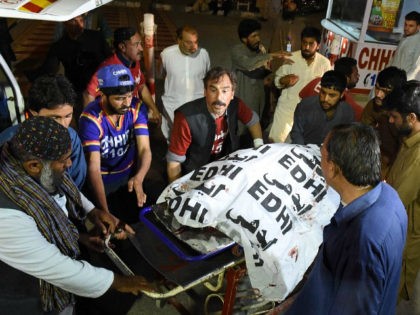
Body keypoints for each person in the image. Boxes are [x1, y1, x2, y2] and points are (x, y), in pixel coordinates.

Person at [0, 116, 153, 315]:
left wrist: (92, 212)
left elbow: (58, 185)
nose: (70, 164)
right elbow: (58, 268)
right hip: (27, 299)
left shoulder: (18, 159)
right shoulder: (7, 219)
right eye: (63, 160)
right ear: (34, 166)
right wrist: (119, 282)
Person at [285, 123, 407, 315]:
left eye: (323, 154)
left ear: (333, 169)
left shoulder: (363, 238)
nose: (320, 160)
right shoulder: (389, 196)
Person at [79, 64, 152, 223]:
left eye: (129, 95)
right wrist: (105, 212)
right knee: (113, 225)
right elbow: (93, 166)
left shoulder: (136, 106)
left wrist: (139, 177)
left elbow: (145, 149)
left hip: (130, 174)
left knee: (138, 220)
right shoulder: (90, 119)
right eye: (119, 98)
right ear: (103, 95)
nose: (126, 103)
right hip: (103, 181)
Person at [166, 66, 263, 183]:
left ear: (232, 94)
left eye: (225, 91)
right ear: (205, 92)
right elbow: (174, 162)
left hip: (225, 166)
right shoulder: (186, 118)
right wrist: (177, 192)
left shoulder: (236, 104)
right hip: (195, 173)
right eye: (213, 90)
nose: (218, 98)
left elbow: (253, 121)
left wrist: (259, 147)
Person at [0, 74, 86, 189]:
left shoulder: (72, 138)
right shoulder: (8, 140)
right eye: (54, 118)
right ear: (34, 113)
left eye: (68, 116)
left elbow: (76, 180)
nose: (63, 125)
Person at [28, 15, 112, 120]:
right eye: (74, 21)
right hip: (77, 92)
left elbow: (110, 60)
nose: (79, 24)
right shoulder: (59, 46)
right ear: (65, 23)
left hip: (102, 89)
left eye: (81, 20)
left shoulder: (96, 37)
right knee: (84, 122)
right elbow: (49, 69)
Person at [384, 81, 420, 305]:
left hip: (406, 235)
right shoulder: (409, 142)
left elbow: (396, 201)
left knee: (389, 295)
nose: (390, 121)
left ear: (412, 118)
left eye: (395, 117)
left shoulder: (418, 155)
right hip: (399, 227)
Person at [84, 27, 161, 125]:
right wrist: (91, 124)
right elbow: (88, 95)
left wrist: (154, 109)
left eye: (140, 43)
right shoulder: (108, 68)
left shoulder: (135, 62)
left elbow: (141, 86)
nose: (141, 48)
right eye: (136, 44)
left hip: (131, 120)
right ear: (122, 47)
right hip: (116, 126)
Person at [269, 26, 331, 143]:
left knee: (298, 149)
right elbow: (277, 81)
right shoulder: (291, 58)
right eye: (304, 43)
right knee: (276, 144)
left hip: (309, 114)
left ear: (318, 46)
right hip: (286, 111)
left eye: (311, 44)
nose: (306, 47)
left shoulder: (324, 64)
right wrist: (284, 80)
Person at [231, 18, 292, 128]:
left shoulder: (261, 49)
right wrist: (272, 55)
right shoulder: (237, 51)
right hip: (242, 101)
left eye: (258, 35)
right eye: (254, 36)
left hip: (259, 101)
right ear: (244, 39)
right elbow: (249, 64)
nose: (258, 39)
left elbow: (265, 70)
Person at [159, 25, 211, 140]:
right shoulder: (166, 54)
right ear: (179, 40)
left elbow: (207, 77)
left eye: (196, 42)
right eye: (188, 43)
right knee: (174, 140)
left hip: (197, 107)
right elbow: (162, 75)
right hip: (173, 106)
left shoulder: (204, 55)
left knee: (195, 139)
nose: (194, 47)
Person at [361, 66, 407, 177]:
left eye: (385, 91)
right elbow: (363, 134)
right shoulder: (372, 106)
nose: (378, 94)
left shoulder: (405, 116)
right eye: (377, 88)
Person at [290, 70, 354, 145]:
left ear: (342, 95)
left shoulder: (347, 112)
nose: (325, 99)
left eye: (332, 95)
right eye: (323, 92)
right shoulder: (305, 106)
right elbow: (297, 133)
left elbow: (346, 139)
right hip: (303, 149)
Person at [299, 57, 363, 121]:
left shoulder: (316, 80)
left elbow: (301, 96)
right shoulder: (344, 97)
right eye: (356, 74)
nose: (358, 76)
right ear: (346, 78)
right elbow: (363, 116)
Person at [389, 11, 420, 80]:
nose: (406, 28)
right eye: (405, 24)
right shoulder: (404, 37)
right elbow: (394, 59)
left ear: (418, 27)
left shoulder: (418, 42)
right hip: (391, 78)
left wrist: (404, 84)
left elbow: (415, 69)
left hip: (402, 83)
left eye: (411, 26)